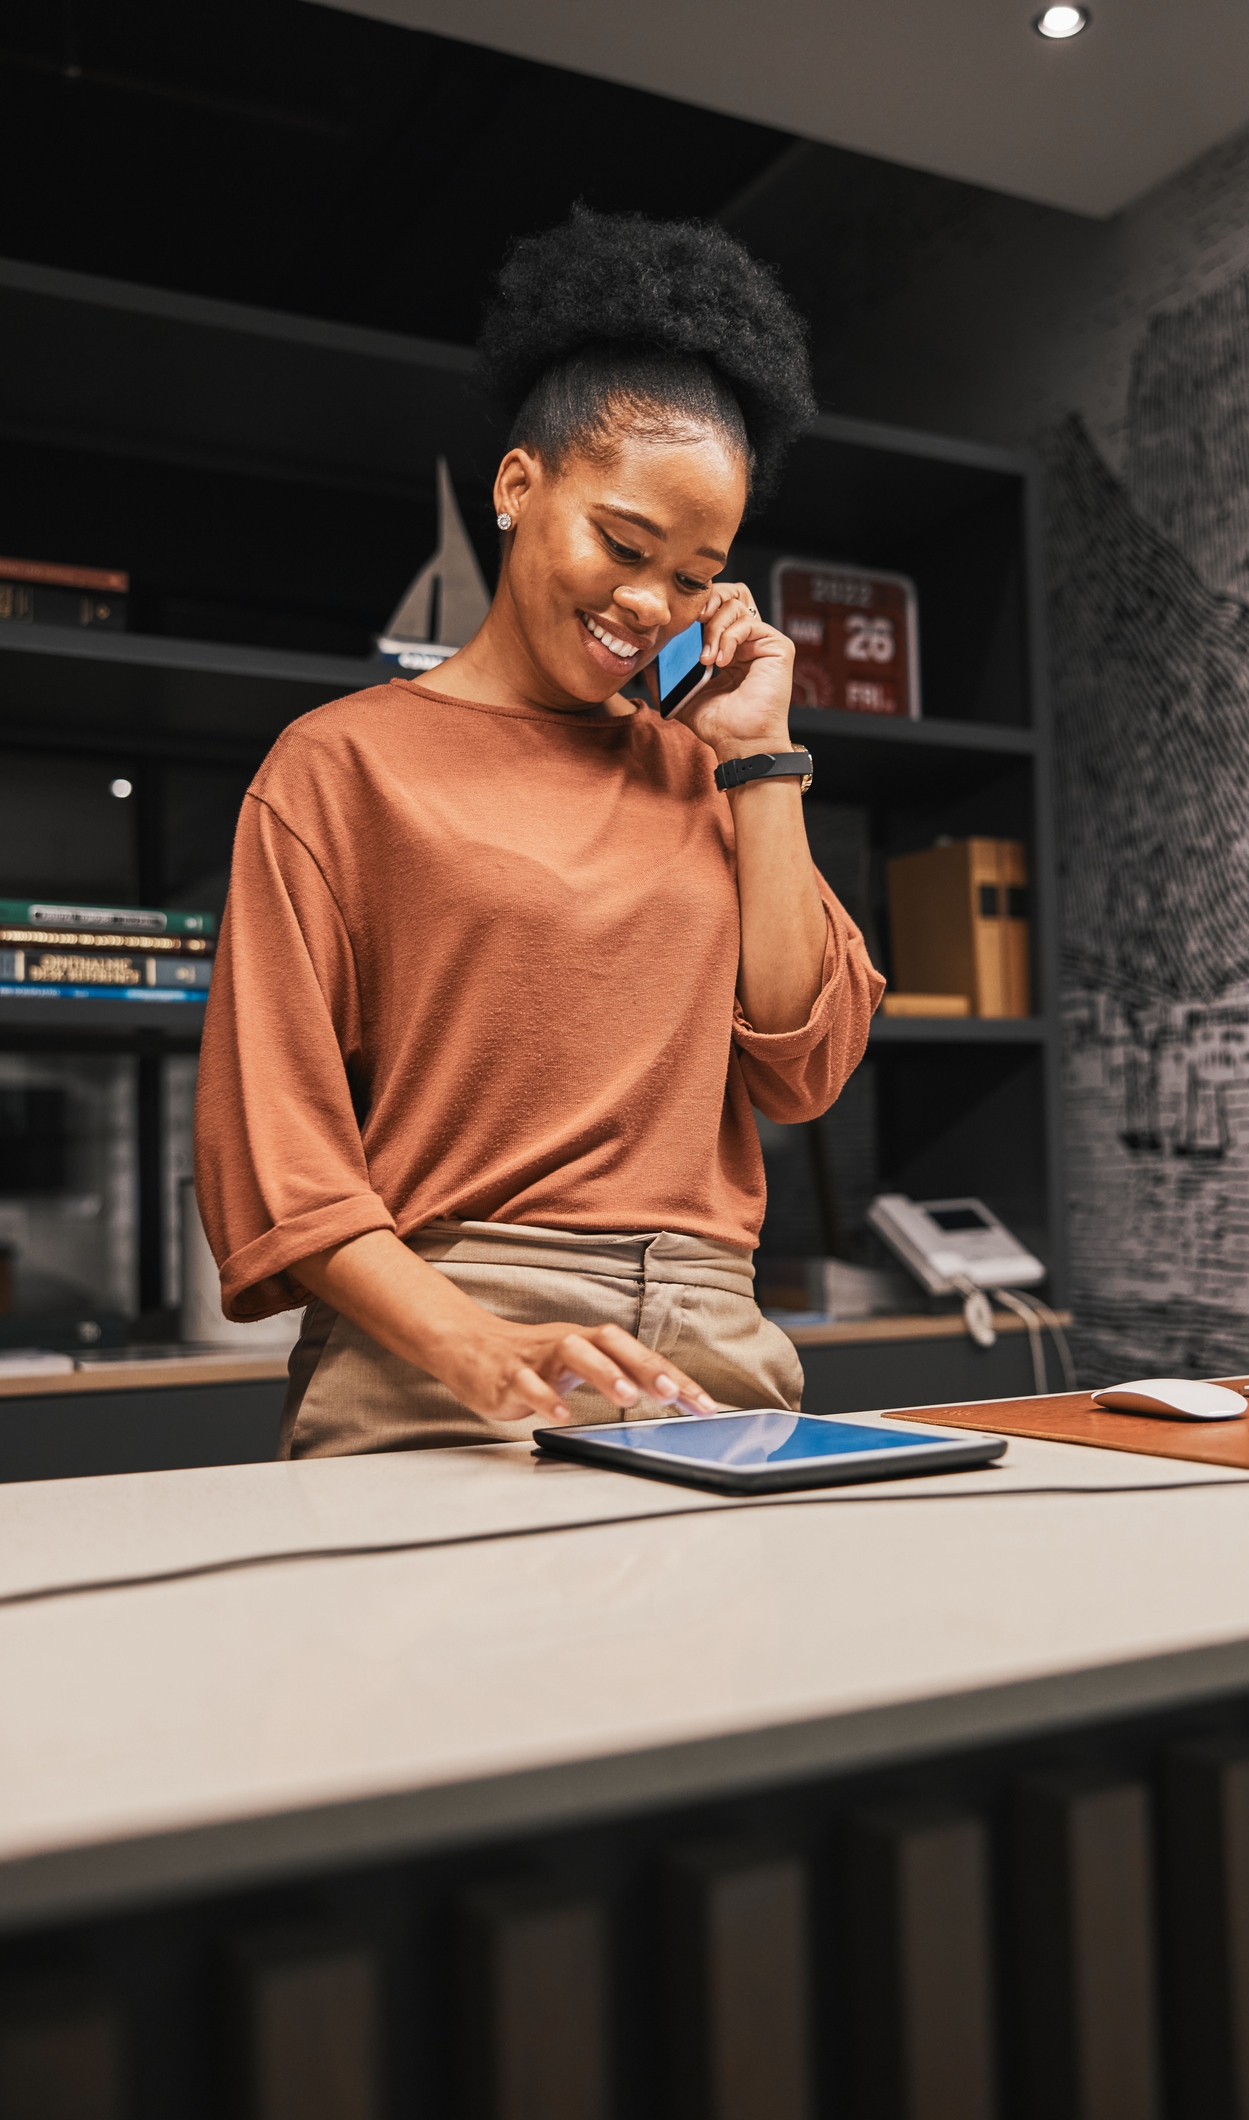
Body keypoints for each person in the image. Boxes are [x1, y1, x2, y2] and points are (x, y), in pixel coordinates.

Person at [194, 206, 884, 1458]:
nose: (646, 603)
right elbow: (277, 1159)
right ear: (521, 484)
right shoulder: (339, 765)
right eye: (622, 541)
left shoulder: (704, 769)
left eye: (690, 575)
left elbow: (803, 1061)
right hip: (441, 1356)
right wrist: (473, 1343)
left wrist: (758, 758)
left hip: (714, 1355)